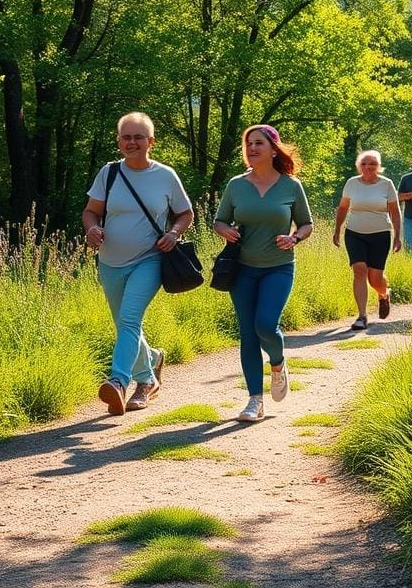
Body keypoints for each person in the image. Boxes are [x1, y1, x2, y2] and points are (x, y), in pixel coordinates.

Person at [83, 112, 194, 416]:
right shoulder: (109, 173)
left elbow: (186, 214)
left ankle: (119, 381)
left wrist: (173, 233)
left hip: (149, 259)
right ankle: (150, 371)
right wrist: (92, 229)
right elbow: (91, 212)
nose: (131, 142)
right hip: (109, 262)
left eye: (138, 137)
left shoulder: (165, 176)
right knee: (124, 326)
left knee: (130, 320)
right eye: (126, 137)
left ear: (151, 142)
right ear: (119, 141)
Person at [213, 125, 314, 423]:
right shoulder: (236, 185)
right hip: (242, 269)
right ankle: (254, 400)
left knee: (266, 325)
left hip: (279, 267)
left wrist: (294, 238)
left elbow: (307, 224)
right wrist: (225, 230)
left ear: (273, 149)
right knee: (247, 332)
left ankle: (279, 363)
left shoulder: (291, 186)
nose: (252, 148)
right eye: (248, 144)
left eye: (259, 143)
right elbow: (219, 220)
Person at [333, 151, 402, 330]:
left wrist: (397, 236)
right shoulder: (352, 183)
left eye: (372, 163)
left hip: (380, 234)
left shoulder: (387, 185)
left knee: (375, 278)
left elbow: (395, 212)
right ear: (359, 166)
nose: (368, 167)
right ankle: (362, 316)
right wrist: (337, 230)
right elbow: (342, 208)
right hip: (354, 233)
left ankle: (384, 294)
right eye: (364, 163)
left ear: (378, 166)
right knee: (359, 270)